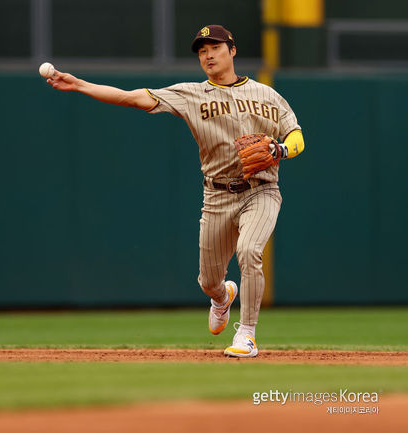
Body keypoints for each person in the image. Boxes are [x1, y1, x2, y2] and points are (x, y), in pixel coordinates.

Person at [45, 25, 304, 358]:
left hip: (262, 190)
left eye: (214, 47)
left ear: (232, 50)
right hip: (217, 195)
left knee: (249, 251)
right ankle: (222, 297)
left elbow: (296, 136)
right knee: (208, 281)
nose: (208, 55)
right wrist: (80, 85)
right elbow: (132, 98)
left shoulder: (268, 95)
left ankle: (247, 335)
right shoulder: (191, 94)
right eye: (201, 51)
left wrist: (281, 150)